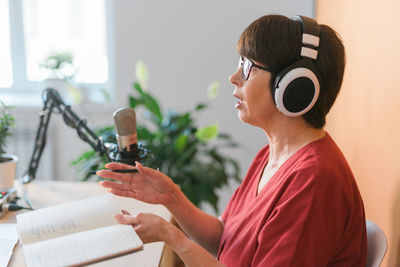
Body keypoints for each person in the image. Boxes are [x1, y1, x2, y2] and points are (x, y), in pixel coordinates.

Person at [97, 14, 367, 266]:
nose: (233, 77)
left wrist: (173, 237)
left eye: (248, 67)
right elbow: (225, 239)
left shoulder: (315, 181)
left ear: (294, 88)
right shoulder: (271, 155)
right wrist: (172, 197)